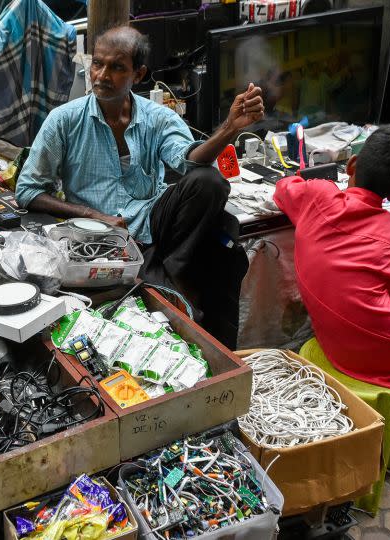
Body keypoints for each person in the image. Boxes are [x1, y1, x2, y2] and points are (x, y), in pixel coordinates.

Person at [14, 26, 264, 347]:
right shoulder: (64, 121)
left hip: (154, 224)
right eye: (98, 64)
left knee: (208, 181)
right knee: (180, 314)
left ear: (139, 73)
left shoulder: (158, 118)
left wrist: (230, 128)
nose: (102, 75)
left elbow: (191, 163)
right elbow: (28, 191)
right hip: (100, 240)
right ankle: (164, 276)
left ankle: (171, 269)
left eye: (117, 67)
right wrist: (93, 215)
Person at [273, 125, 390, 413]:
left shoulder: (316, 195)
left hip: (334, 341)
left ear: (352, 164)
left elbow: (284, 187)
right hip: (383, 350)